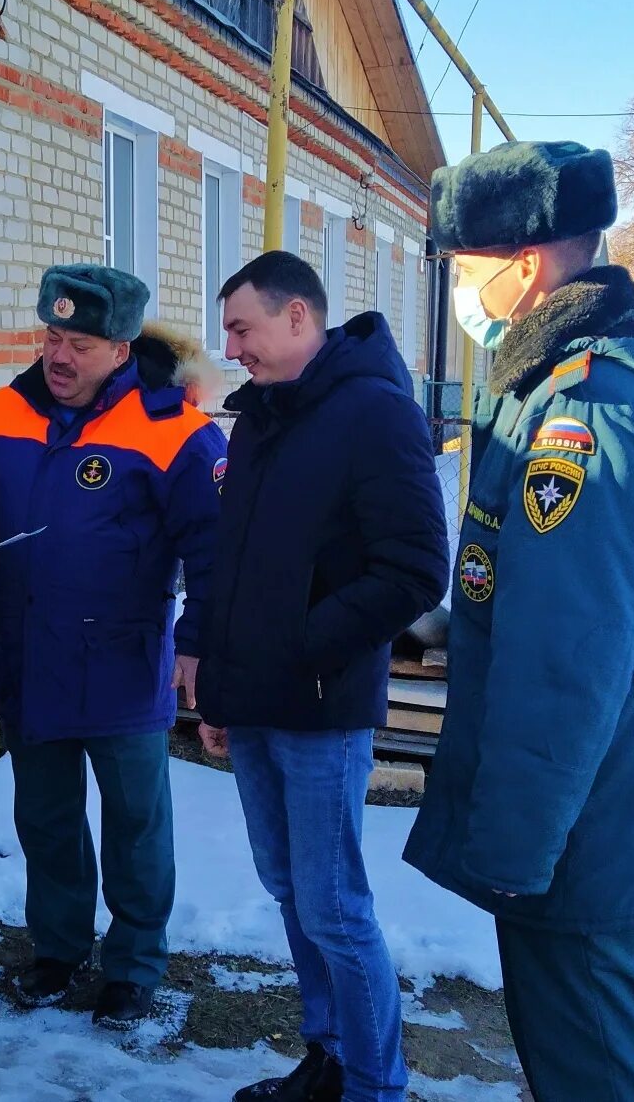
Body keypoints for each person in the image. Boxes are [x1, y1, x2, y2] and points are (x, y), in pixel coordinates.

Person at [401, 141, 634, 1102]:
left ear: (523, 265)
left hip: (577, 828)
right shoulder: (549, 390)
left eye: (464, 268)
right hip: (572, 819)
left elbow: (567, 663)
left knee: (600, 1068)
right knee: (574, 1057)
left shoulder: (586, 415)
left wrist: (516, 846)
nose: (461, 289)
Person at [0, 266, 226, 1029]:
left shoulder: (176, 427)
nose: (59, 356)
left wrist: (198, 641)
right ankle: (57, 952)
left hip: (123, 662)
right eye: (52, 337)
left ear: (121, 347)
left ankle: (133, 966)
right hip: (28, 657)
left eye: (79, 343)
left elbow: (215, 547)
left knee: (135, 823)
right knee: (46, 818)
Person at [196, 250, 447, 1102]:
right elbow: (231, 565)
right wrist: (223, 690)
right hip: (258, 698)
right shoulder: (261, 415)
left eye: (243, 329)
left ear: (298, 317)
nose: (232, 348)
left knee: (334, 905)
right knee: (290, 891)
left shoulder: (375, 413)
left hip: (319, 702)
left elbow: (415, 568)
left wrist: (305, 644)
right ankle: (329, 1057)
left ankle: (377, 1087)